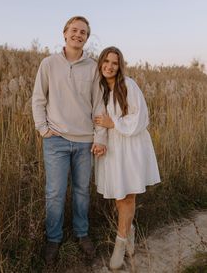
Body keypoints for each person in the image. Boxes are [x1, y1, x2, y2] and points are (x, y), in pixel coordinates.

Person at [32, 16, 107, 265]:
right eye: (74, 30)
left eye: (83, 32)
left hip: (85, 141)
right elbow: (38, 99)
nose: (78, 34)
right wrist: (43, 128)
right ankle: (53, 239)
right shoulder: (49, 64)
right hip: (56, 141)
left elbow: (99, 105)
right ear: (64, 33)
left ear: (87, 37)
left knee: (81, 191)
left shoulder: (93, 67)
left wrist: (99, 137)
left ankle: (82, 233)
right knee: (54, 192)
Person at [94, 46, 160, 270]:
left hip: (131, 145)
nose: (109, 66)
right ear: (101, 62)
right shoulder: (99, 89)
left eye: (114, 62)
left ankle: (119, 245)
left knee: (127, 197)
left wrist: (115, 124)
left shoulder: (128, 85)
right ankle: (129, 231)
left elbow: (141, 117)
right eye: (106, 61)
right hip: (113, 148)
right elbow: (97, 120)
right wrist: (101, 138)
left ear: (119, 66)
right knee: (118, 195)